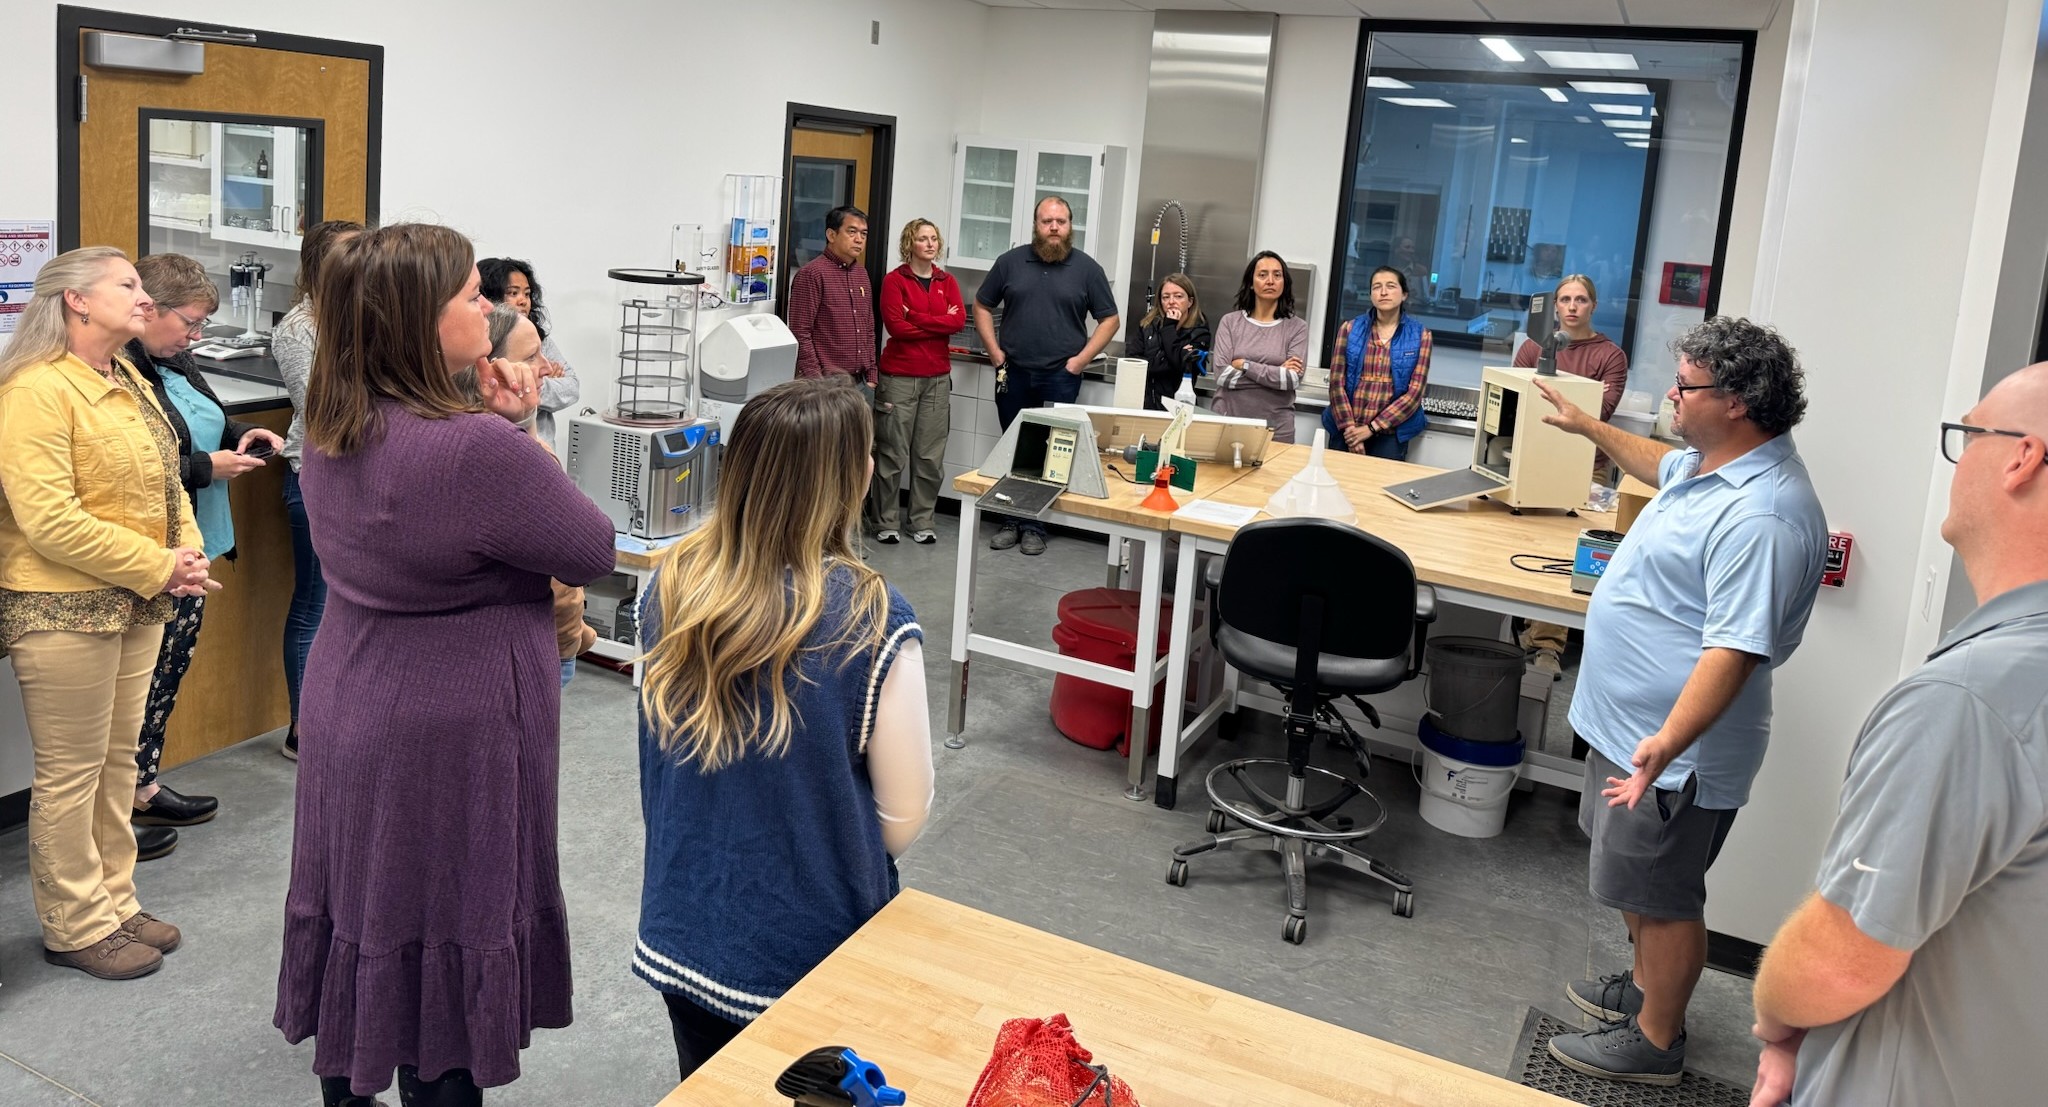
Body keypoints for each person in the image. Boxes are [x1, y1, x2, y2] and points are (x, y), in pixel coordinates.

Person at [274, 223, 616, 1106]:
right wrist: (519, 429)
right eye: (472, 294)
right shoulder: (477, 450)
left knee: (363, 911)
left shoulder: (333, 421)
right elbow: (591, 547)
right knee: (447, 928)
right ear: (422, 320)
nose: (490, 307)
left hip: (352, 693)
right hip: (451, 725)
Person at [1532, 317, 1827, 1086]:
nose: (1671, 394)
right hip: (1629, 730)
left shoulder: (1762, 514)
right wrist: (1587, 426)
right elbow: (1655, 461)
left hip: (1673, 751)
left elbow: (1734, 651)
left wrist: (1666, 743)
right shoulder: (1711, 465)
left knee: (1663, 896)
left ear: (1736, 401)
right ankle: (1645, 987)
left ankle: (1656, 1039)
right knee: (1635, 882)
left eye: (1685, 386)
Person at [1745, 369, 2048, 1107]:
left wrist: (1776, 1020)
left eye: (1968, 436)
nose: (1958, 460)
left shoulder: (1970, 701)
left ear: (2022, 458)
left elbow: (1839, 960)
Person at [635, 377, 933, 1081]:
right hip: (808, 951)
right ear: (851, 480)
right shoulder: (871, 616)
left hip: (684, 929)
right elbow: (904, 815)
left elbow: (658, 765)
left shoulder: (672, 585)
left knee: (709, 1087)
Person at [0, 246, 220, 981]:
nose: (143, 296)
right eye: (126, 285)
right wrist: (160, 564)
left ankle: (116, 903)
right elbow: (49, 520)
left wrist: (188, 551)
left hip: (139, 600)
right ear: (77, 301)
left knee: (118, 762)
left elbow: (169, 478)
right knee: (71, 773)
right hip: (62, 606)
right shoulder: (35, 388)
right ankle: (75, 924)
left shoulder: (124, 375)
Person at [125, 252, 286, 850]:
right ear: (148, 309)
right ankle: (114, 808)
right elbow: (133, 467)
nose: (196, 337)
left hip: (199, 541)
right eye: (189, 323)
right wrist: (203, 467)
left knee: (168, 671)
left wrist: (240, 438)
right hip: (154, 552)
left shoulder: (176, 358)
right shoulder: (117, 369)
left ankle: (141, 785)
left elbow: (200, 422)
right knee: (135, 685)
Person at [452, 304, 597, 688]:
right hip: (529, 649)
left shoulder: (454, 437)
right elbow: (588, 557)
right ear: (491, 370)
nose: (547, 368)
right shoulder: (514, 460)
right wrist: (571, 641)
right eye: (532, 357)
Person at [972, 196, 1120, 555]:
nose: (1054, 227)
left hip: (1060, 376)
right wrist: (995, 353)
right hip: (1013, 373)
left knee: (1051, 454)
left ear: (1070, 226)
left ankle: (1034, 526)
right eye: (1047, 221)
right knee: (1013, 448)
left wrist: (1080, 361)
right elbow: (981, 305)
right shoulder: (1010, 263)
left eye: (1061, 221)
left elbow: (1110, 319)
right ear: (1036, 225)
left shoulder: (1087, 269)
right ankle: (1010, 520)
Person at [272, 218, 364, 761]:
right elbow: (322, 409)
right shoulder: (299, 328)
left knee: (351, 609)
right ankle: (302, 731)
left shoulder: (363, 315)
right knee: (315, 606)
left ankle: (340, 720)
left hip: (363, 474)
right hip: (316, 475)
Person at [1511, 273, 1630, 678]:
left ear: (1593, 305)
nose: (1572, 306)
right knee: (1523, 542)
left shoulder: (1610, 356)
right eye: (1565, 299)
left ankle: (1547, 645)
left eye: (1581, 299)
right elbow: (1516, 398)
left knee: (1562, 549)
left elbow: (1600, 412)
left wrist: (1551, 405)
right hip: (1532, 457)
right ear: (1555, 306)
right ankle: (1525, 627)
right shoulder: (1533, 347)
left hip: (1584, 464)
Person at [869, 217, 966, 545]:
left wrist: (915, 316)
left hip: (937, 379)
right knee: (892, 454)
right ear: (909, 243)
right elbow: (896, 328)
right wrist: (938, 323)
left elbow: (958, 322)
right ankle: (885, 522)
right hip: (899, 379)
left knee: (929, 457)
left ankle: (921, 521)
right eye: (923, 238)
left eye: (934, 238)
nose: (930, 244)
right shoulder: (895, 281)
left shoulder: (946, 281)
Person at [1325, 266, 1431, 459]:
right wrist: (1351, 431)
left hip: (1390, 434)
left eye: (1391, 286)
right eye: (1377, 287)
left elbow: (1415, 393)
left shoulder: (1420, 335)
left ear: (1404, 294)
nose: (1383, 292)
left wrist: (1371, 428)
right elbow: (1336, 383)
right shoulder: (1349, 329)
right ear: (1371, 295)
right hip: (1346, 429)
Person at [477, 257, 578, 443]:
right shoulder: (482, 343)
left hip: (544, 446)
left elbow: (572, 388)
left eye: (527, 293)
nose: (523, 300)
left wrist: (531, 384)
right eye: (513, 293)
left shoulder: (540, 338)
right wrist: (536, 383)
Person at [1211, 252, 1309, 441]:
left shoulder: (1297, 328)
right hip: (1228, 423)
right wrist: (1276, 374)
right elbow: (1222, 376)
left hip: (1276, 431)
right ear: (1251, 282)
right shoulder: (1230, 322)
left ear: (1284, 283)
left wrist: (1245, 365)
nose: (1270, 281)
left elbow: (1291, 380)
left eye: (1277, 275)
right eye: (1262, 275)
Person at [786, 205, 877, 394]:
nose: (859, 239)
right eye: (851, 232)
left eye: (863, 234)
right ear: (831, 235)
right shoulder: (812, 274)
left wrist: (872, 375)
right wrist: (816, 380)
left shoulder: (861, 274)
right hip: (826, 385)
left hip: (861, 382)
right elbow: (800, 332)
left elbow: (868, 327)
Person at [1125, 272, 1211, 413]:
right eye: (1166, 297)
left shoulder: (1200, 332)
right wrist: (1174, 357)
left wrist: (1169, 327)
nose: (1171, 301)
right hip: (1145, 405)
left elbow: (1182, 367)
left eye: (1178, 296)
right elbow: (1132, 362)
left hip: (1179, 408)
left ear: (1190, 302)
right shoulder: (1148, 325)